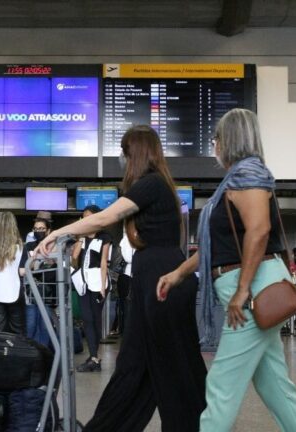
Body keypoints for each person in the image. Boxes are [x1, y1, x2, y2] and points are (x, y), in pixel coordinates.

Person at [38, 125, 206, 431]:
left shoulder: (151, 184)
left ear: (136, 154)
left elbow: (105, 218)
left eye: (125, 152)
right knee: (140, 365)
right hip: (156, 278)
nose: (121, 158)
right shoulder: (158, 186)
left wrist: (55, 233)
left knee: (171, 369)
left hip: (160, 280)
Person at [158, 109, 296, 432]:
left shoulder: (249, 174)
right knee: (275, 385)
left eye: (216, 138)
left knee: (221, 385)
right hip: (254, 286)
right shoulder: (238, 178)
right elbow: (216, 248)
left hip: (251, 291)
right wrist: (179, 274)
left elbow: (259, 230)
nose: (214, 144)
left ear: (230, 139)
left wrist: (242, 291)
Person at [71, 205, 112, 373]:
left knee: (95, 319)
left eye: (88, 216)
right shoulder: (82, 237)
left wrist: (102, 287)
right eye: (84, 217)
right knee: (86, 319)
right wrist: (80, 237)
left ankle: (94, 357)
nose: (86, 219)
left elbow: (103, 262)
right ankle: (94, 357)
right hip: (83, 281)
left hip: (97, 281)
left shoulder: (105, 237)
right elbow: (74, 257)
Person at [24, 216, 56, 347]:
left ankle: (43, 352)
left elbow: (54, 263)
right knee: (30, 324)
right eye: (36, 229)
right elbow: (27, 266)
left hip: (49, 290)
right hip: (32, 289)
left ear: (48, 231)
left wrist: (38, 260)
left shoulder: (54, 245)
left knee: (45, 325)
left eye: (42, 228)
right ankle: (31, 352)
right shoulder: (29, 246)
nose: (39, 231)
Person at [113, 228, 134, 337]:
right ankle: (126, 332)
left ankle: (126, 331)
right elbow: (128, 258)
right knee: (126, 306)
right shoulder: (126, 239)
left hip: (129, 276)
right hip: (127, 276)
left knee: (127, 306)